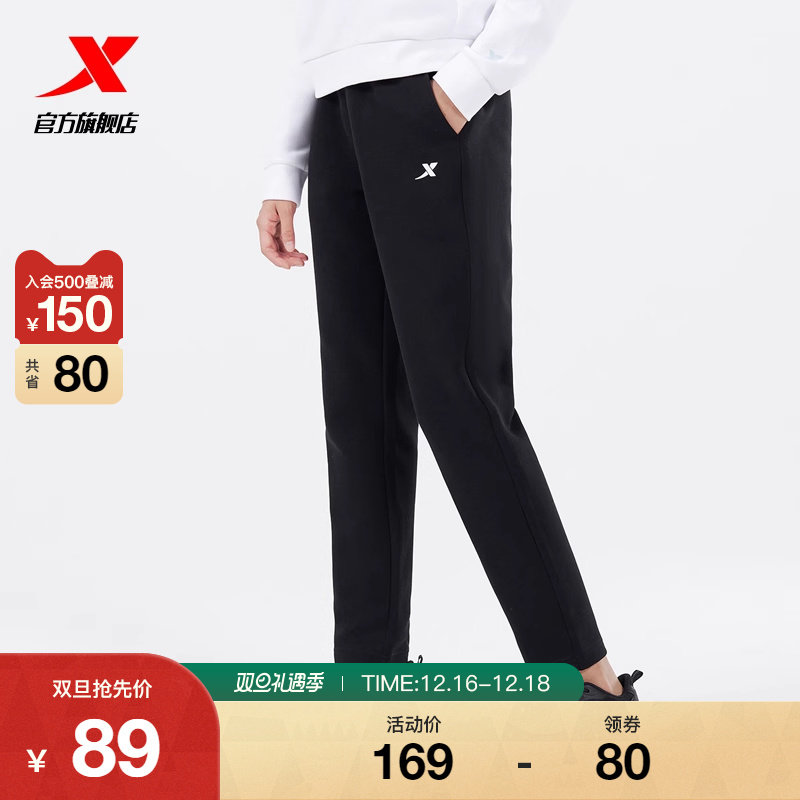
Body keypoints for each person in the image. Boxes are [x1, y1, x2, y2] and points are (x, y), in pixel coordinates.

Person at [257, 0, 641, 700]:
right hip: (334, 110)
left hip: (432, 91)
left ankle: (584, 677)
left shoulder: (449, 89)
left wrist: (471, 80)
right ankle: (368, 677)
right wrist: (287, 164)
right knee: (359, 409)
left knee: (460, 392)